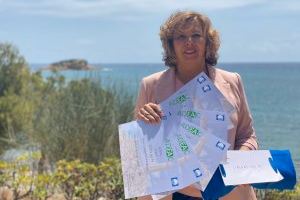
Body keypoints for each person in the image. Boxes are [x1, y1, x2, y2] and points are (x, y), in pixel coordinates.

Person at [135, 10, 258, 200]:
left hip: (228, 191)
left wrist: (240, 163)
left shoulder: (233, 81)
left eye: (196, 35)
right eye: (181, 37)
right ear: (170, 44)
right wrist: (143, 122)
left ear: (208, 42)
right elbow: (141, 152)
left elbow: (247, 135)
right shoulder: (150, 85)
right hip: (172, 193)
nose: (189, 42)